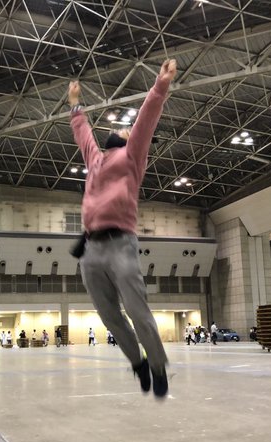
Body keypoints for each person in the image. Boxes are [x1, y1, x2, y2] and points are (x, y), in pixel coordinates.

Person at [68, 59, 177, 398]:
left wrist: (161, 85)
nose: (126, 129)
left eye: (128, 129)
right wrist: (75, 104)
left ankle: (157, 365)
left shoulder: (132, 156)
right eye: (124, 129)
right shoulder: (95, 159)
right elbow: (83, 134)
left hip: (121, 244)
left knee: (136, 309)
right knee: (109, 316)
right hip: (91, 250)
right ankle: (138, 362)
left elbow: (146, 119)